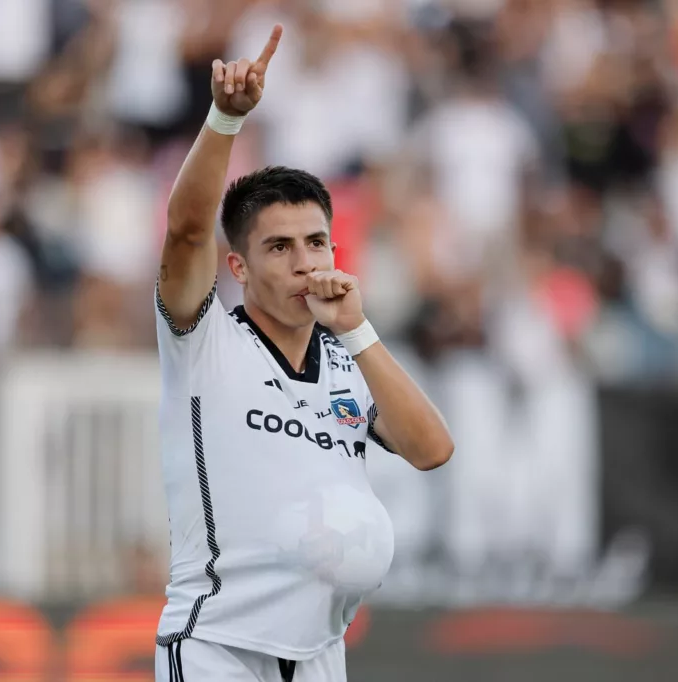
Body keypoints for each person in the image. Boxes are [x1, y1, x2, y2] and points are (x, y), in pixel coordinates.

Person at [153, 24, 454, 682]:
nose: (303, 262)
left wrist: (358, 330)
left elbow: (432, 450)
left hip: (319, 658)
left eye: (316, 243)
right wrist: (225, 120)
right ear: (238, 264)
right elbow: (185, 230)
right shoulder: (203, 340)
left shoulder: (348, 357)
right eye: (279, 247)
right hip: (218, 646)